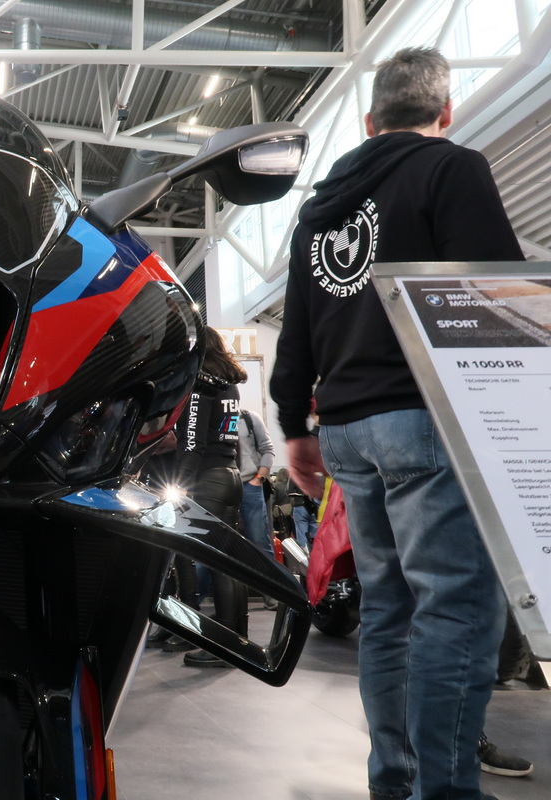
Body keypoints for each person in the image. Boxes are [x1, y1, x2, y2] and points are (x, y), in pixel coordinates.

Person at [270, 47, 519, 800]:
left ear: (369, 121)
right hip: (425, 418)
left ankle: (397, 782)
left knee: (388, 612)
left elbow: (295, 329)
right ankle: (443, 790)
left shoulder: (319, 210)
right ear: (446, 112)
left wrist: (294, 423)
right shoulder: (451, 169)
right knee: (455, 608)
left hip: (347, 429)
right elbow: (494, 299)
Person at [172, 326, 248, 668]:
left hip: (209, 481)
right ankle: (237, 639)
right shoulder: (229, 385)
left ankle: (224, 646)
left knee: (218, 564)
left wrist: (181, 486)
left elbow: (193, 442)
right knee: (229, 562)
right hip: (231, 475)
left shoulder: (200, 386)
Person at [235, 407, 275, 562]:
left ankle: (268, 575)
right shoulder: (210, 418)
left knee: (260, 542)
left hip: (249, 485)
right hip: (222, 487)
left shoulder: (249, 418)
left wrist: (258, 479)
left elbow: (268, 450)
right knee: (221, 542)